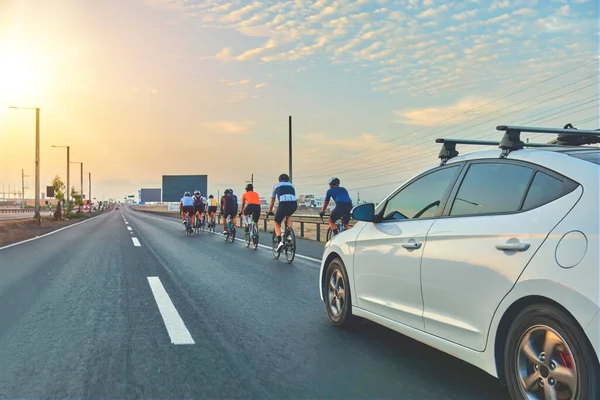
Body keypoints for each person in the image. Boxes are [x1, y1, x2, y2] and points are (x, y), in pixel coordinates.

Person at [268, 173, 297, 252]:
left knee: (277, 222)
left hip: (283, 204)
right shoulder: (291, 185)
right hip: (294, 204)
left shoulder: (276, 185)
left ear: (279, 180)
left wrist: (270, 211)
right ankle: (288, 235)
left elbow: (273, 200)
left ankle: (280, 242)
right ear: (288, 180)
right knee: (288, 216)